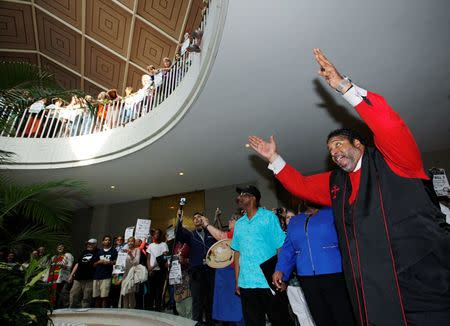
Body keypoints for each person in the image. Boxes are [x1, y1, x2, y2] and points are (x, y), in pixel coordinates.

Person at [248, 48, 450, 325]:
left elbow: (391, 126)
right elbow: (302, 186)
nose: (333, 151)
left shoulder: (395, 161)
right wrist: (274, 159)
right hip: (372, 290)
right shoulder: (337, 184)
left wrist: (345, 87)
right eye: (330, 149)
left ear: (359, 144)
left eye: (339, 144)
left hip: (423, 283)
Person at [273, 204, 355, 326]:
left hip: (334, 274)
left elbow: (347, 239)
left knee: (343, 317)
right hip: (307, 278)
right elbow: (288, 249)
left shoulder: (333, 213)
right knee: (320, 318)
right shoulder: (295, 221)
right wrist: (280, 270)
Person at [230, 185, 295, 326]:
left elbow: (280, 247)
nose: (239, 198)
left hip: (268, 280)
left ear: (253, 198)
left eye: (243, 194)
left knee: (280, 320)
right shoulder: (239, 224)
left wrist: (282, 276)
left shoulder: (268, 217)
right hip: (246, 283)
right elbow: (237, 253)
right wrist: (237, 280)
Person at [200, 210, 245, 325]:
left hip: (231, 273)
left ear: (239, 222)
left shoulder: (237, 233)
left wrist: (206, 224)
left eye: (232, 219)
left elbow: (221, 236)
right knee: (228, 308)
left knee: (234, 307)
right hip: (226, 273)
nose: (229, 221)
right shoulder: (234, 233)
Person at [176, 210, 216, 326]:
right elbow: (179, 236)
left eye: (199, 217)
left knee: (210, 299)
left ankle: (211, 323)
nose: (197, 219)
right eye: (195, 218)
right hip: (196, 271)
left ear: (204, 219)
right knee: (197, 300)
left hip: (210, 270)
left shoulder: (210, 233)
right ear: (193, 222)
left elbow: (220, 239)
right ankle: (197, 323)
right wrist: (179, 220)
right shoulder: (190, 234)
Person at [68, 239, 98, 308]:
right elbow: (77, 264)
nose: (88, 245)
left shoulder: (98, 252)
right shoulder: (84, 252)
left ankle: (84, 314)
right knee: (73, 294)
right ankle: (72, 310)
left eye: (90, 244)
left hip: (89, 278)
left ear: (95, 245)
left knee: (87, 297)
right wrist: (71, 275)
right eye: (88, 244)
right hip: (78, 277)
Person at [146, 229, 169, 311]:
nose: (156, 235)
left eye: (158, 234)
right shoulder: (150, 245)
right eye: (155, 234)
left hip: (160, 271)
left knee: (159, 291)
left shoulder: (164, 245)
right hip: (151, 271)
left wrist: (153, 267)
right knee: (150, 291)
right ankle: (150, 308)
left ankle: (158, 308)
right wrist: (149, 268)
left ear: (160, 235)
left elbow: (163, 258)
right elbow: (148, 258)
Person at [93, 235, 117, 308]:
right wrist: (98, 262)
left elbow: (117, 262)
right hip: (97, 276)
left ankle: (103, 312)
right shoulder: (98, 251)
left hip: (107, 276)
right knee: (96, 296)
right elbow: (93, 264)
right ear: (102, 242)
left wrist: (109, 262)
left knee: (104, 296)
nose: (108, 241)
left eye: (109, 240)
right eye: (106, 240)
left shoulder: (113, 250)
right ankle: (96, 312)